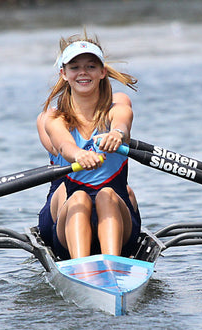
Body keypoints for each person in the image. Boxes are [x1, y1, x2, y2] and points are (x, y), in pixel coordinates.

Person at [36, 32, 141, 259]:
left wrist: (116, 134)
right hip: (70, 222)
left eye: (91, 66)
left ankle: (113, 266)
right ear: (63, 74)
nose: (83, 72)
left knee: (107, 195)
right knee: (79, 198)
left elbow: (122, 123)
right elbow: (64, 146)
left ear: (102, 72)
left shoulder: (116, 109)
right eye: (75, 67)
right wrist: (78, 155)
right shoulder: (54, 119)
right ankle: (82, 268)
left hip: (119, 224)